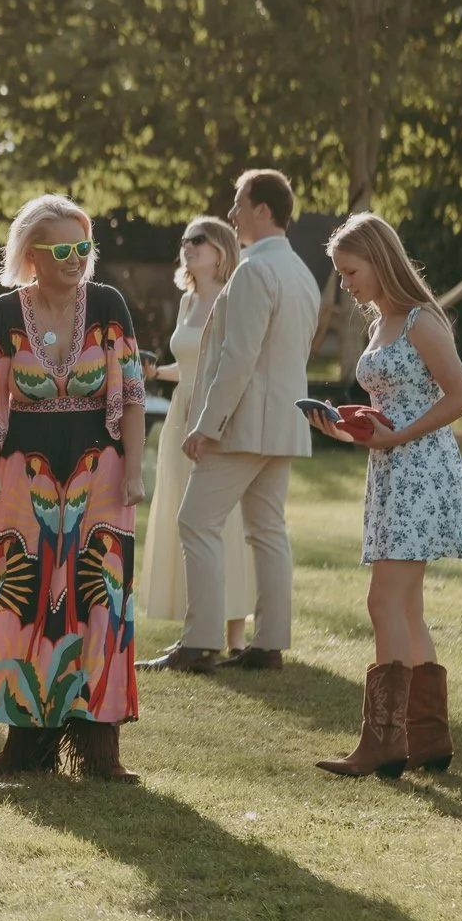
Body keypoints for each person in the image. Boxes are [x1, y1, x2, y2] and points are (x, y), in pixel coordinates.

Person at [0, 194, 146, 780]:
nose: (77, 259)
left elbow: (129, 394)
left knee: (97, 597)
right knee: (21, 598)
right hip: (25, 473)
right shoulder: (5, 311)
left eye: (84, 247)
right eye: (63, 249)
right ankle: (26, 745)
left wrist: (137, 470)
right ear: (32, 255)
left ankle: (100, 752)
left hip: (100, 473)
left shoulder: (107, 304)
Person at [307, 213, 462, 778]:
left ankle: (384, 741)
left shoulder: (420, 321)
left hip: (420, 471)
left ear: (380, 262)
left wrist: (397, 437)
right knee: (406, 606)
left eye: (351, 271)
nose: (346, 283)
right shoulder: (381, 322)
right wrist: (344, 428)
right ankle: (428, 738)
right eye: (340, 272)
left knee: (383, 602)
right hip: (391, 467)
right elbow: (394, 403)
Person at [141, 168, 318, 675]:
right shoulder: (301, 273)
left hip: (242, 425)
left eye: (239, 204)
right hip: (283, 423)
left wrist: (207, 425)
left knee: (195, 522)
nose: (233, 213)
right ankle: (268, 644)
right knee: (267, 530)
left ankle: (198, 643)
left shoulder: (253, 272)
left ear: (263, 210)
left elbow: (237, 357)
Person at [134, 217, 256, 653]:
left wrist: (215, 421)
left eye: (197, 240)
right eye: (184, 240)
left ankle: (237, 636)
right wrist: (154, 371)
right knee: (184, 519)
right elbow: (186, 368)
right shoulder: (187, 302)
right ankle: (198, 626)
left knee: (225, 520)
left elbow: (235, 366)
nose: (187, 247)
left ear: (221, 249)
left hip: (217, 417)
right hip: (179, 418)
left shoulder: (233, 297)